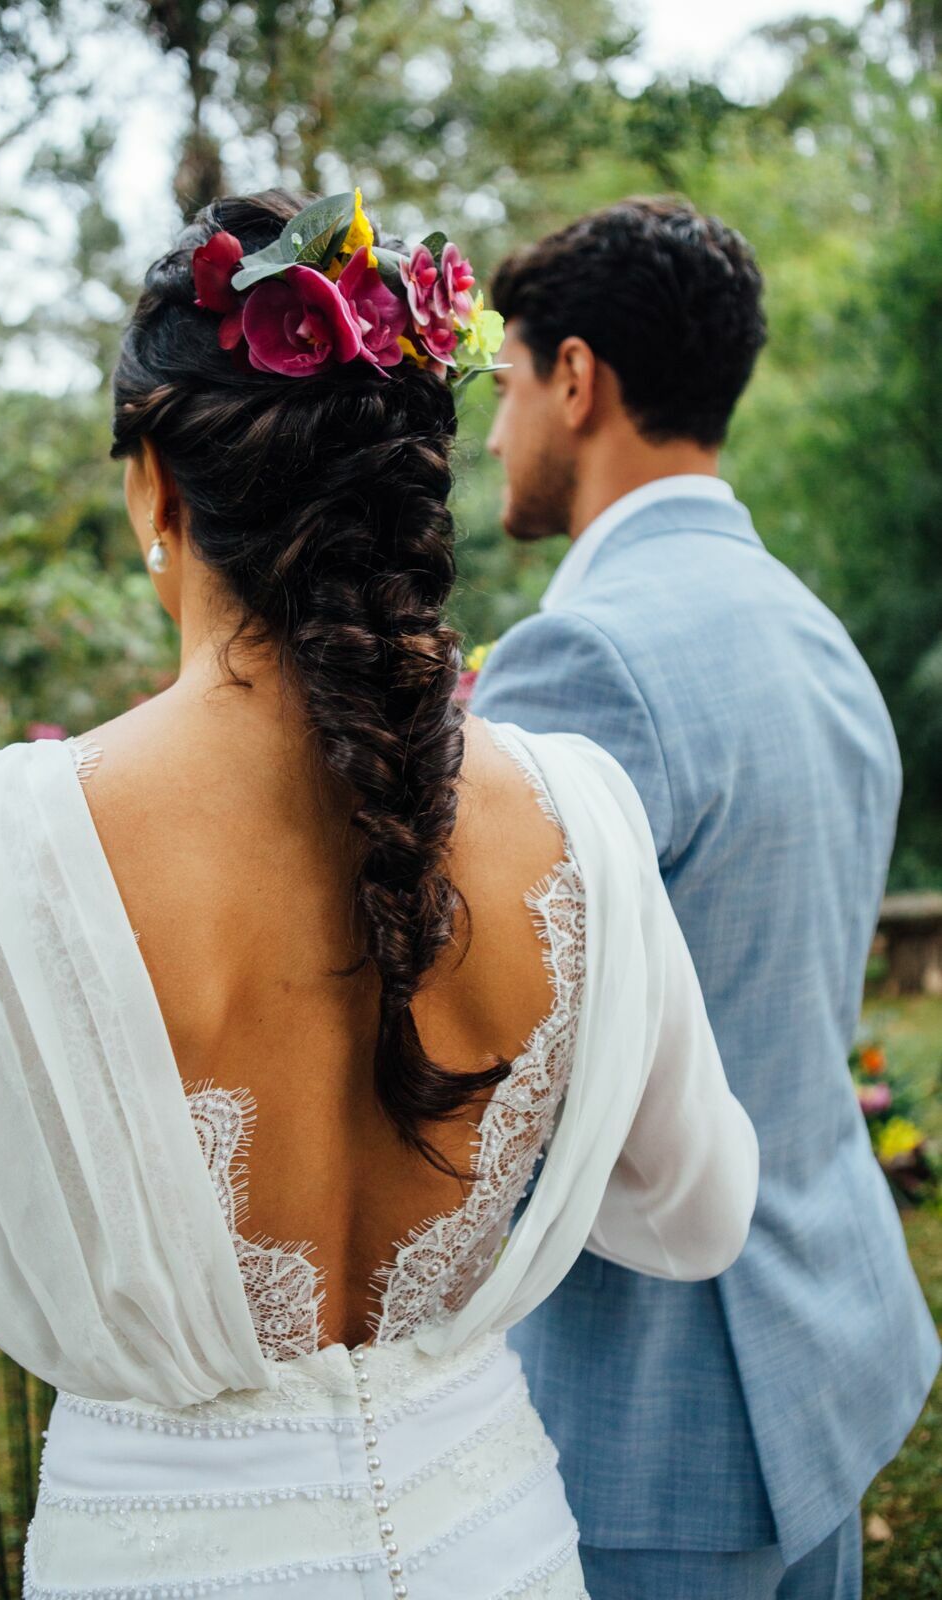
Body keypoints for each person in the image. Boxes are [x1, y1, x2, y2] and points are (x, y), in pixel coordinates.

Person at [0, 188, 760, 1599]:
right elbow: (696, 1216)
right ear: (413, 477)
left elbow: (0, 1264)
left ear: (155, 484)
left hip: (160, 1555)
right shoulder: (578, 813)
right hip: (497, 1539)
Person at [472, 196, 941, 1600]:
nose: (492, 434)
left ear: (576, 379)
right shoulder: (815, 635)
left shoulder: (581, 659)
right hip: (830, 1355)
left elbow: (503, 1069)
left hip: (653, 1415)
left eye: (501, 387)